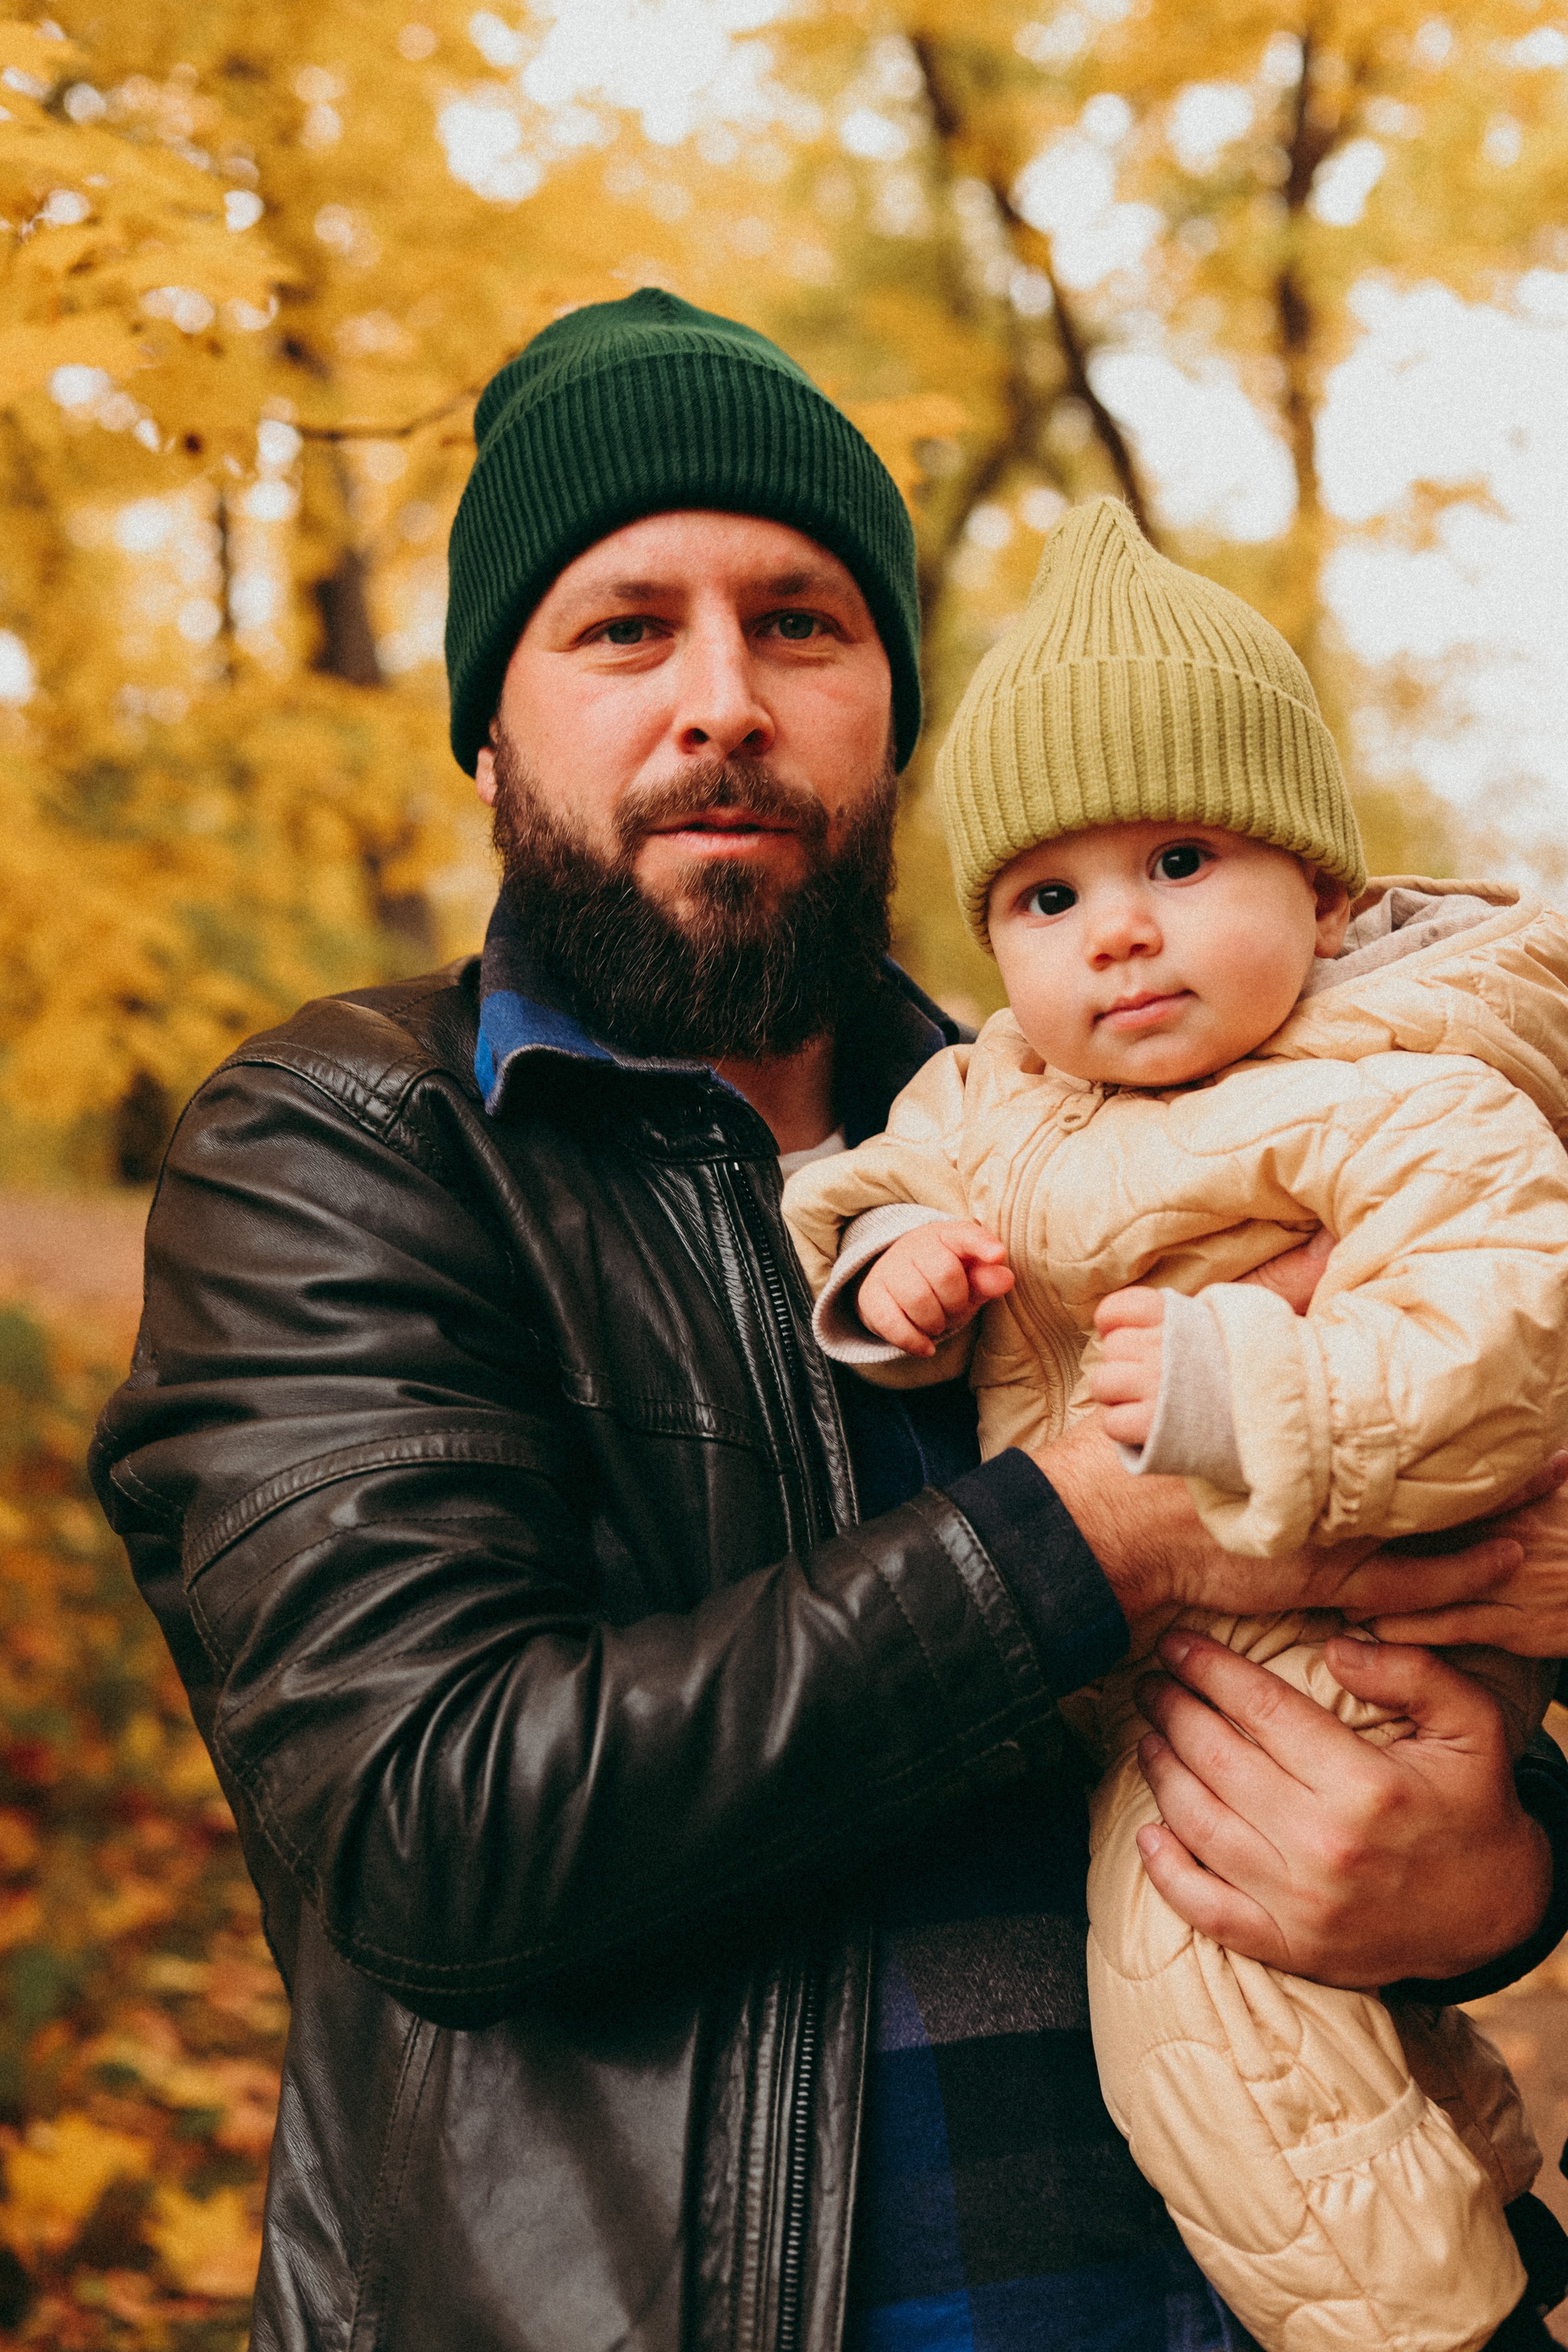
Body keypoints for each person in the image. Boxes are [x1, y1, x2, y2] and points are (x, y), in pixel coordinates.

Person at [88, 292, 1568, 2352]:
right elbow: (431, 1828)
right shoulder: (345, 1146)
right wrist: (1099, 1529)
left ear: (892, 708)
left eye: (802, 623)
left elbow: (1446, 1599)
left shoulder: (1124, 1113)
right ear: (492, 726)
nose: (726, 702)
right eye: (626, 629)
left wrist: (1501, 1870)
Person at [783, 495, 1568, 2351]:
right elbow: (863, 1186)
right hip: (1145, 1664)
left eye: (1183, 859)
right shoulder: (999, 1094)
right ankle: (1451, 2195)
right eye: (1050, 900)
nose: (1118, 934)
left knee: (1205, 2031)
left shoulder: (1400, 1091)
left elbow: (1506, 1328)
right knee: (1319, 2046)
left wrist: (1255, 1386)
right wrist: (891, 1272)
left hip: (1311, 1653)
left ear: (1329, 893)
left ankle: (1420, 2324)